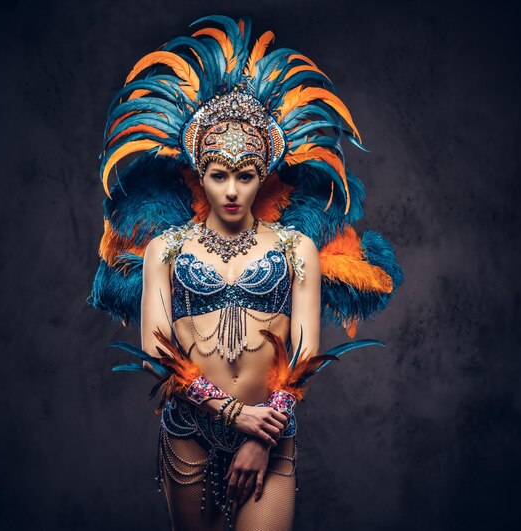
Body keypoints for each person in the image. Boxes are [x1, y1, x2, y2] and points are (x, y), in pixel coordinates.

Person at [87, 14, 404, 531]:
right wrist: (233, 414)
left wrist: (260, 435)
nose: (231, 190)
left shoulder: (296, 247)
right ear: (198, 173)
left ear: (265, 175)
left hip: (271, 433)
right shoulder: (164, 249)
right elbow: (153, 353)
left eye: (245, 175)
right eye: (218, 176)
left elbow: (303, 352)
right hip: (189, 429)